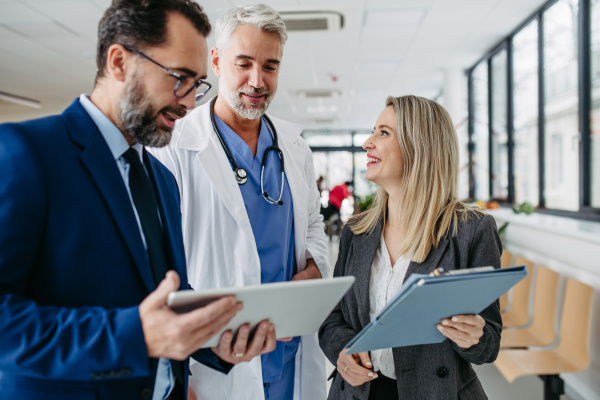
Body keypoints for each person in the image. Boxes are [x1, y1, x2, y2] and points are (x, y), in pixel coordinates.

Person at [0, 1, 277, 399]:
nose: (187, 102)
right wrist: (134, 336)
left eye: (197, 84)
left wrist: (214, 340)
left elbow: (163, 300)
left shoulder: (161, 178)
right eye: (179, 77)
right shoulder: (28, 154)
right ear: (118, 62)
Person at [149, 4, 330, 400]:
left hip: (287, 353)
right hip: (213, 364)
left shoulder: (294, 147)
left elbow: (313, 222)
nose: (256, 80)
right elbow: (156, 263)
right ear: (215, 61)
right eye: (243, 63)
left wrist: (316, 266)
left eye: (270, 66)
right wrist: (172, 376)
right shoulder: (175, 147)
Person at [319, 95, 502, 400]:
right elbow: (333, 316)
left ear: (420, 147)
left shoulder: (470, 232)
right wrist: (342, 350)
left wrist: (474, 335)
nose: (367, 142)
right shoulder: (357, 231)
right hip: (357, 392)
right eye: (373, 131)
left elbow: (489, 343)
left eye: (383, 133)